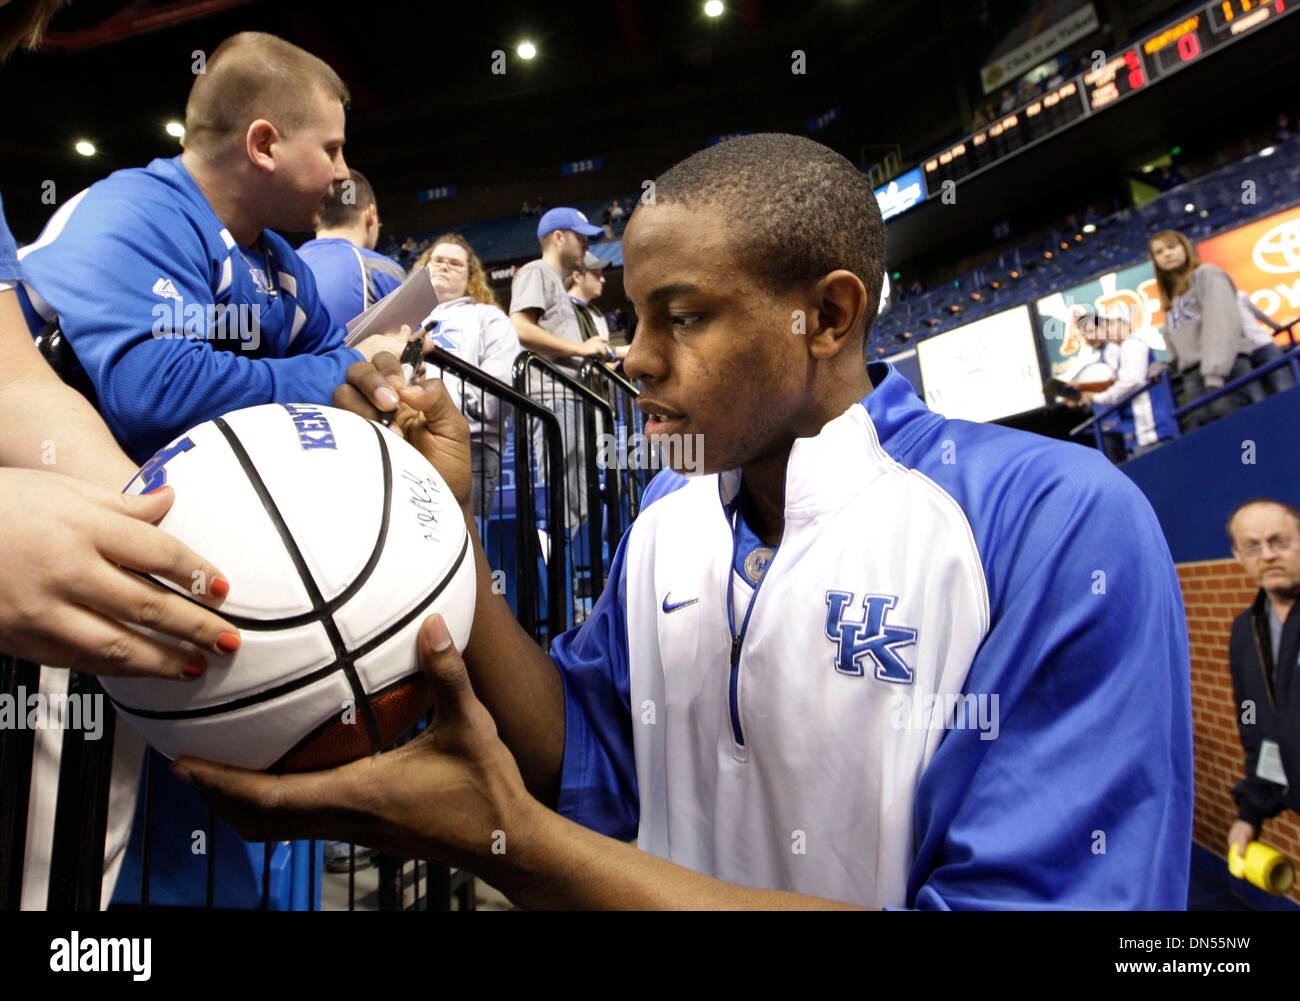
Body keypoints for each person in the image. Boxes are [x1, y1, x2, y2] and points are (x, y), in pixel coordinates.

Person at [179, 134, 1192, 910]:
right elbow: (585, 758)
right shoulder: (669, 508)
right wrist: (447, 538)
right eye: (630, 315)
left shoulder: (1055, 518)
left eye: (683, 315)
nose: (635, 355)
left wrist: (518, 849)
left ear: (828, 317)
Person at [14, 31, 398, 464]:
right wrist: (341, 373)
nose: (344, 174)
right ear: (264, 146)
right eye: (332, 150)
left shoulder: (284, 265)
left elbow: (342, 364)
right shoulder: (131, 213)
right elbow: (155, 395)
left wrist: (385, 377)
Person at [509, 207, 611, 572]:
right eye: (580, 236)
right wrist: (580, 349)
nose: (586, 244)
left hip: (570, 399)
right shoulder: (537, 271)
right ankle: (557, 589)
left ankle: (570, 587)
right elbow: (519, 326)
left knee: (578, 500)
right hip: (552, 400)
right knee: (562, 502)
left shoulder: (557, 284)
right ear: (557, 237)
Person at [411, 234, 521, 516]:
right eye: (437, 260)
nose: (445, 266)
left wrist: (437, 405)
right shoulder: (405, 318)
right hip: (407, 439)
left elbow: (499, 394)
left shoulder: (488, 317)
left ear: (470, 276)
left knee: (465, 542)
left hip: (470, 445)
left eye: (455, 263)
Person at [1225, 499, 1300, 861]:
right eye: (1253, 547)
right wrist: (1250, 811)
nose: (1267, 555)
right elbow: (1255, 727)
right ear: (1238, 556)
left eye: (1279, 542)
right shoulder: (1246, 632)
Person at [1150, 229, 1266, 428]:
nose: (1167, 254)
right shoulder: (1172, 298)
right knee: (1220, 446)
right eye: (1159, 252)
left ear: (1185, 248)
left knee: (1247, 436)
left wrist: (1214, 372)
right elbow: (1180, 345)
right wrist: (1166, 366)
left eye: (1171, 247)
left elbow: (1221, 324)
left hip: (1226, 370)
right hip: (1194, 379)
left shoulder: (1207, 274)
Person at [297, 167, 406, 327]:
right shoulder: (382, 270)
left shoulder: (277, 266)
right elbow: (412, 345)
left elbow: (250, 341)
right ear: (370, 214)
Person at [1066, 308, 1177, 459]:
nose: (1107, 330)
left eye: (1111, 324)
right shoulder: (1123, 348)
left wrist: (1094, 396)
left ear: (1125, 324)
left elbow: (1131, 382)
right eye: (1105, 326)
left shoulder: (1131, 345)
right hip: (1138, 432)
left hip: (1150, 431)